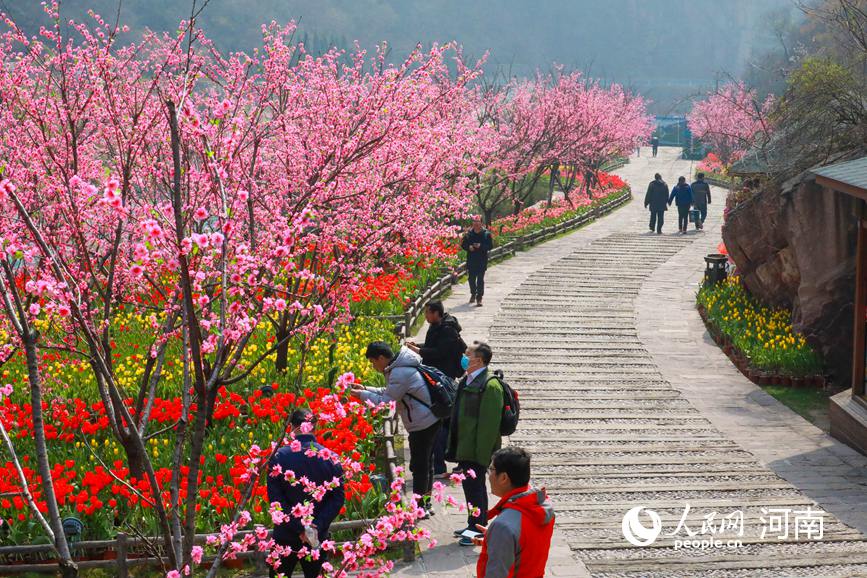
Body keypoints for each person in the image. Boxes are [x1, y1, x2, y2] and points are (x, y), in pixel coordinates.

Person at [352, 342, 440, 512]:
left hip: (422, 422)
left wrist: (362, 395)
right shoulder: (399, 368)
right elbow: (390, 391)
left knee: (420, 466)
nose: (373, 366)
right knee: (426, 463)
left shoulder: (399, 373)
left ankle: (420, 508)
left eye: (373, 362)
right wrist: (365, 388)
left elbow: (386, 402)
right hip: (429, 418)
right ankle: (425, 505)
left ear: (382, 358)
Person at [267, 409, 345, 578]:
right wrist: (314, 526)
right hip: (317, 535)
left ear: (291, 427)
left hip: (285, 534)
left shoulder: (279, 457)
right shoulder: (331, 458)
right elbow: (338, 498)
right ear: (314, 427)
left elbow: (276, 500)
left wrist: (299, 528)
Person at [446, 341, 504, 546]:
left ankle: (477, 530)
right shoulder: (468, 380)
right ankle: (473, 523)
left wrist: (482, 457)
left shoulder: (490, 386)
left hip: (477, 451)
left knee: (476, 488)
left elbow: (489, 426)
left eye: (467, 354)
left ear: (478, 360)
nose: (463, 356)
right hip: (465, 446)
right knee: (470, 489)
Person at [406, 301, 466, 480]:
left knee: (441, 422)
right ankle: (443, 463)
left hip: (443, 380)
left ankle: (443, 464)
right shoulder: (437, 326)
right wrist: (419, 345)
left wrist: (418, 350)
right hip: (437, 377)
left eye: (427, 313)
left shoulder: (447, 329)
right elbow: (433, 344)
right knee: (444, 422)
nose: (425, 316)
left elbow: (440, 352)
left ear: (436, 313)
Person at [474, 447, 556, 578]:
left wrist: (499, 535)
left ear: (504, 477)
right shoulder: (541, 506)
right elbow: (527, 544)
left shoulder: (504, 526)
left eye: (491, 470)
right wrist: (493, 538)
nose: (489, 476)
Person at [461, 217, 494, 307]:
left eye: (478, 221)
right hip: (471, 259)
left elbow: (490, 246)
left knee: (480, 279)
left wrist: (481, 246)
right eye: (474, 221)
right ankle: (473, 293)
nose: (476, 223)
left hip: (482, 259)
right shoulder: (468, 234)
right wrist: (469, 247)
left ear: (481, 223)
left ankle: (479, 297)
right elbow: (463, 244)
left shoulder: (486, 234)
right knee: (471, 279)